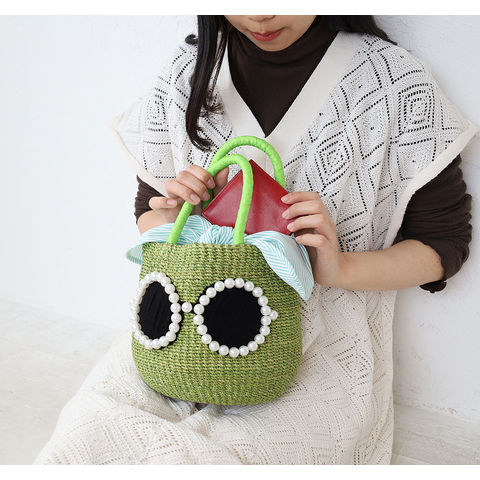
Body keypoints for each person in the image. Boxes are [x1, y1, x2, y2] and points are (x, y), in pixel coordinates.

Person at [36, 15, 478, 464]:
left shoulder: (393, 84)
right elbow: (147, 218)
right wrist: (174, 221)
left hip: (317, 353)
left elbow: (444, 243)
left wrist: (339, 267)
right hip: (172, 333)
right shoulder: (188, 72)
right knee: (80, 444)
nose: (260, 15)